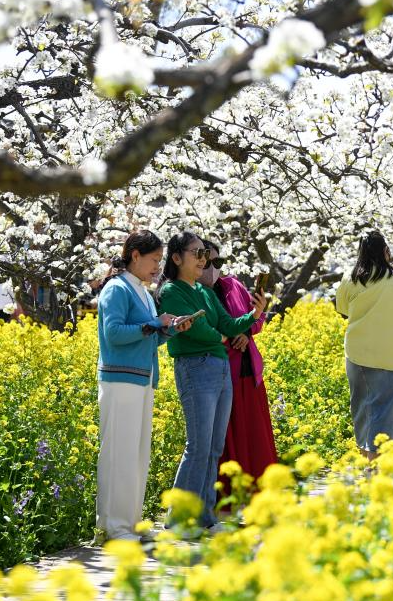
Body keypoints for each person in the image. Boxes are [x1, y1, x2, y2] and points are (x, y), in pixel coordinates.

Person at [158, 232, 267, 532]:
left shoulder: (205, 293)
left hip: (219, 368)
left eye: (205, 254)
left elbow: (228, 325)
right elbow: (201, 330)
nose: (203, 260)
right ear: (177, 257)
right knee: (198, 445)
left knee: (215, 447)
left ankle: (205, 517)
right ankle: (178, 518)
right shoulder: (171, 291)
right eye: (197, 253)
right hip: (196, 366)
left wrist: (253, 314)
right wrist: (221, 336)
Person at [95, 230, 191, 543]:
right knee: (120, 454)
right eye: (153, 260)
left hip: (142, 379)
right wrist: (154, 324)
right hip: (120, 379)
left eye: (159, 261)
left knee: (137, 454)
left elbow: (147, 337)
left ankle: (131, 523)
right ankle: (115, 527)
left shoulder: (144, 293)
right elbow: (115, 334)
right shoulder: (116, 289)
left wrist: (172, 329)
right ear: (135, 255)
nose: (157, 267)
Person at [201, 240, 279, 504]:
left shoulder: (233, 285)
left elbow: (255, 319)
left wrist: (248, 329)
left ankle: (259, 491)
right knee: (229, 434)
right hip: (224, 374)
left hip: (249, 371)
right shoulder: (196, 293)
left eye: (217, 263)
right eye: (206, 262)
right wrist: (239, 331)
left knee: (254, 434)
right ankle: (229, 496)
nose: (212, 268)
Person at [335, 232, 393, 460]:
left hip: (356, 353)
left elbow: (343, 308)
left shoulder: (351, 278)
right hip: (390, 355)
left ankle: (364, 456)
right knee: (383, 410)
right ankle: (375, 463)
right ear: (385, 251)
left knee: (360, 408)